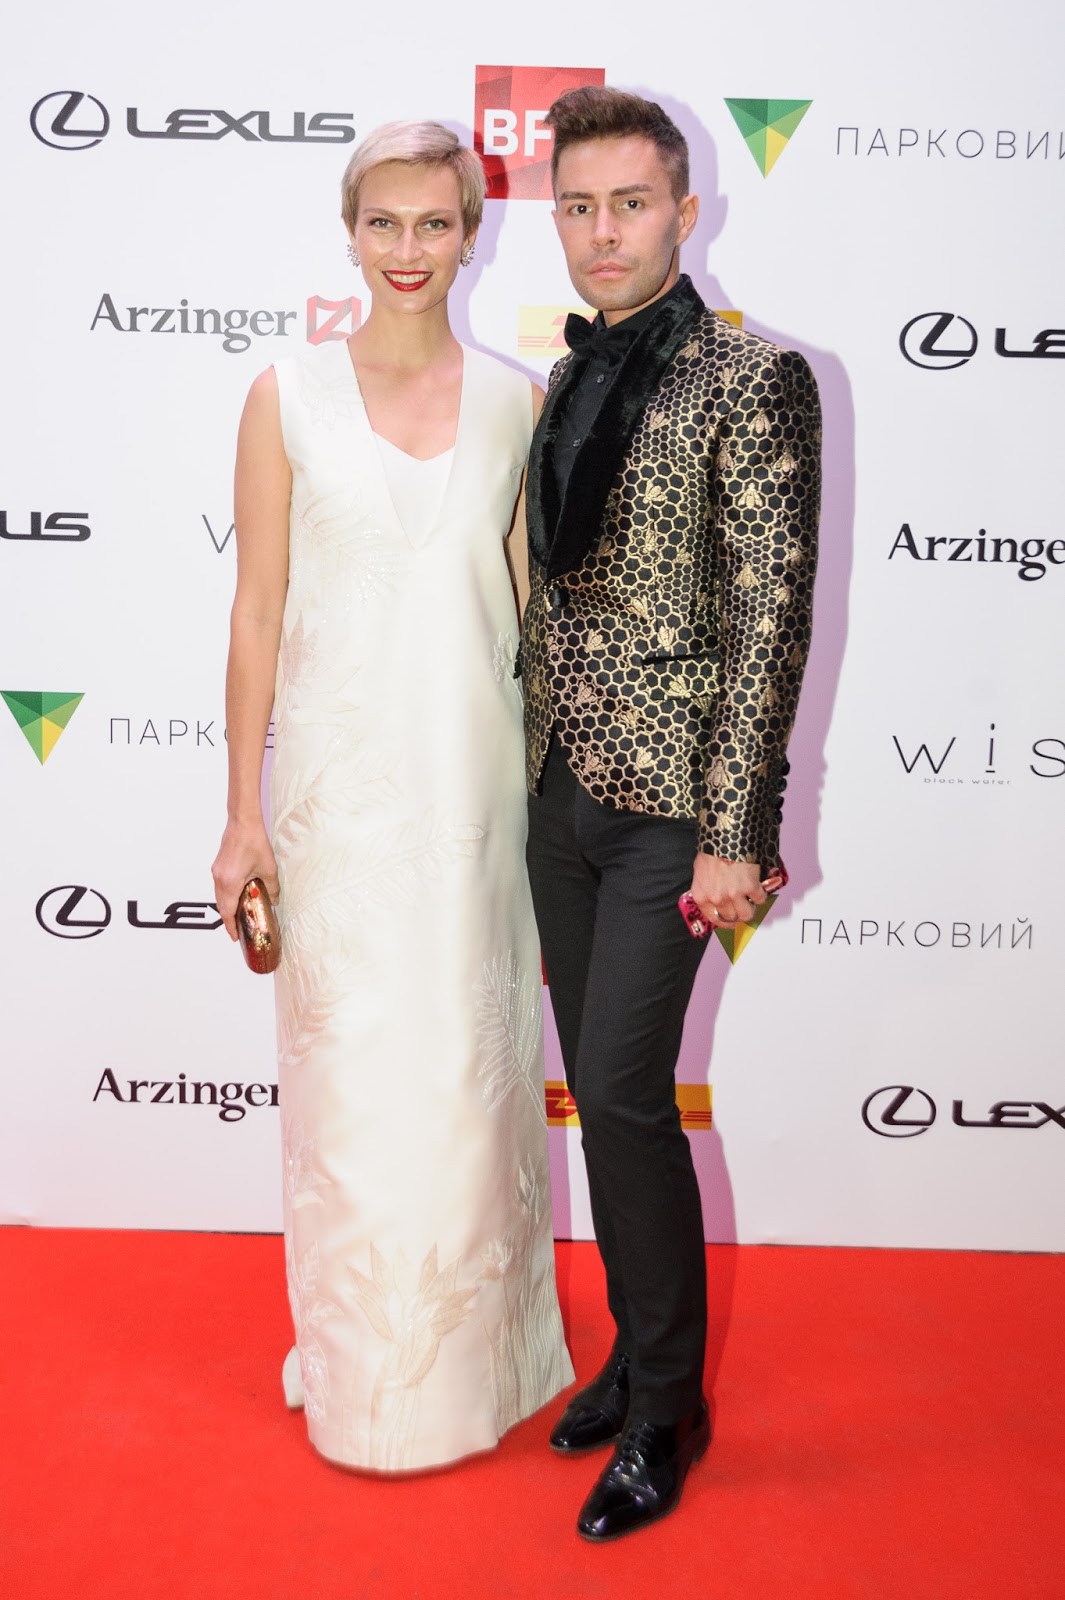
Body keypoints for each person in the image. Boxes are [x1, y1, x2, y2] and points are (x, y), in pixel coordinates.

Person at [212, 120, 572, 1474]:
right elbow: (256, 613)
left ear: (472, 233)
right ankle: (366, 1384)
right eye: (384, 223)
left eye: (434, 223)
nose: (407, 249)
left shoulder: (516, 403)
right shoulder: (283, 395)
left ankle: (489, 1364)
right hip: (336, 802)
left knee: (470, 1088)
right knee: (357, 1090)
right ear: (350, 233)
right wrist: (242, 814)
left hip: (478, 791)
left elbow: (532, 619)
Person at [521, 87, 821, 1539]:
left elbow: (770, 623)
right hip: (555, 796)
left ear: (684, 212)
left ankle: (666, 1412)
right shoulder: (561, 374)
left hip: (672, 814)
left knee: (631, 1097)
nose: (602, 232)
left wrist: (735, 830)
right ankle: (641, 1361)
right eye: (577, 207)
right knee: (599, 1094)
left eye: (629, 203)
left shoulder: (754, 378)